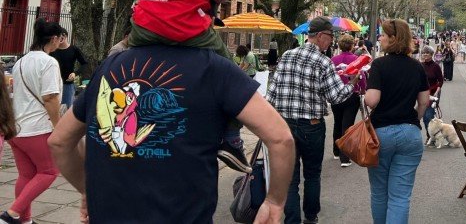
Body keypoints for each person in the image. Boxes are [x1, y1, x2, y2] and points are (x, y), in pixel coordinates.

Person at [48, 43, 296, 224]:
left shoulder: (110, 66)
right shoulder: (214, 68)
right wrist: (274, 201)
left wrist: (87, 190)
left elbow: (59, 141)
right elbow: (280, 138)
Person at [266, 16, 359, 224]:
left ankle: (291, 220)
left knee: (290, 179)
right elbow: (336, 96)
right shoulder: (323, 62)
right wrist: (352, 82)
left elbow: (271, 95)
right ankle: (310, 217)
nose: (331, 41)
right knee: (312, 175)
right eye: (330, 37)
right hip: (312, 126)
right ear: (319, 36)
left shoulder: (287, 56)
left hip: (285, 125)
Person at [364, 19, 429, 224]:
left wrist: (363, 95)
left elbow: (372, 100)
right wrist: (414, 120)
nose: (380, 37)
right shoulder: (417, 67)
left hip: (381, 134)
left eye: (383, 34)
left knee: (379, 192)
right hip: (409, 134)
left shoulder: (379, 65)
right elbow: (424, 102)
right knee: (400, 196)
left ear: (393, 38)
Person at [2, 19, 63, 224]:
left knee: (26, 175)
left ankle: (25, 219)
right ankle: (11, 215)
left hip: (16, 127)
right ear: (53, 39)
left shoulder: (20, 61)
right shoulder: (49, 62)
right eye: (59, 39)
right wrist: (59, 127)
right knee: (49, 171)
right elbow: (50, 97)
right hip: (38, 127)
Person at [331, 35, 367, 167]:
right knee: (348, 124)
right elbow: (361, 77)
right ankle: (344, 157)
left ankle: (336, 151)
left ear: (339, 46)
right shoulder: (356, 59)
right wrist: (363, 89)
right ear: (352, 46)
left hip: (336, 94)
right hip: (352, 94)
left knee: (337, 122)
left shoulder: (333, 60)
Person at [50, 29, 87, 110]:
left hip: (67, 84)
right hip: (53, 83)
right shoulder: (52, 50)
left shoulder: (74, 49)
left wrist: (75, 73)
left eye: (60, 36)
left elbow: (84, 64)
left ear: (65, 36)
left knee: (66, 108)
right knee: (53, 108)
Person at [420, 46, 444, 140]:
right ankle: (432, 135)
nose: (425, 54)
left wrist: (437, 91)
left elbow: (441, 80)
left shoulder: (436, 66)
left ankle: (430, 137)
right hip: (422, 94)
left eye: (427, 53)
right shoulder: (420, 65)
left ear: (431, 54)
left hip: (433, 94)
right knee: (425, 117)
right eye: (424, 53)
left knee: (428, 116)